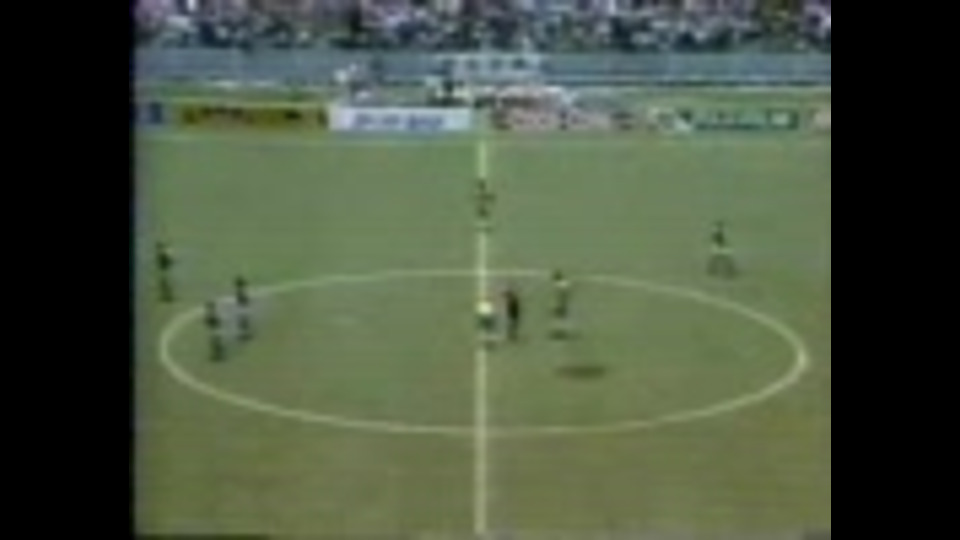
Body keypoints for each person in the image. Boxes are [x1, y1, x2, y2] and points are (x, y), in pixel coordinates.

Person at [550, 270, 573, 339]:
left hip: (561, 303)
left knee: (559, 318)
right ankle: (562, 332)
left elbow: (559, 295)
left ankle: (560, 332)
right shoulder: (566, 283)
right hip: (564, 303)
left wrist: (557, 305)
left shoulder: (558, 285)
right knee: (563, 317)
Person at [233, 275, 253, 341]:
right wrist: (247, 300)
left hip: (241, 308)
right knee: (244, 322)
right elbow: (244, 300)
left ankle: (243, 335)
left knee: (243, 322)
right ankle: (243, 336)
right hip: (242, 308)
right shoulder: (240, 291)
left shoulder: (239, 291)